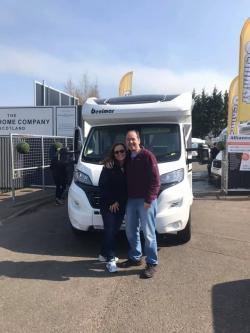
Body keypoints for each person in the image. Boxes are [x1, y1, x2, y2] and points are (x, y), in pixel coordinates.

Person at [119, 130, 160, 279]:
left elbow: (156, 180)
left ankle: (152, 263)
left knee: (148, 233)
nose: (131, 142)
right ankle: (135, 258)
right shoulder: (128, 157)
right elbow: (115, 161)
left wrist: (149, 199)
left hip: (146, 201)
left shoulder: (148, 156)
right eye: (128, 140)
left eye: (133, 139)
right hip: (131, 200)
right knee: (130, 230)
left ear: (139, 140)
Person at [98, 143, 127, 273]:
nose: (119, 154)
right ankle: (110, 259)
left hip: (121, 204)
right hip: (108, 205)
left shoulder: (129, 165)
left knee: (113, 231)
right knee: (110, 230)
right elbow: (102, 186)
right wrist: (112, 201)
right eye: (116, 152)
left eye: (122, 151)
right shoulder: (108, 166)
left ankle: (103, 254)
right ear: (113, 154)